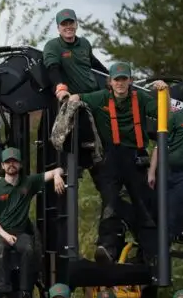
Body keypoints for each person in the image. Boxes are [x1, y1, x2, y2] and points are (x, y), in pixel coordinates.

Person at [69, 65, 167, 264]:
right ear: (110, 82)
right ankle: (107, 248)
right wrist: (68, 101)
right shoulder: (100, 98)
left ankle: (150, 254)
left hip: (135, 157)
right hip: (110, 158)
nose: (120, 83)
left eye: (124, 79)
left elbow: (162, 112)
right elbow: (77, 97)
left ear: (130, 81)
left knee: (143, 204)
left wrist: (164, 92)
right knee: (111, 202)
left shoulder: (140, 98)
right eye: (116, 80)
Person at [0, 147, 65, 298]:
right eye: (8, 162)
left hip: (20, 232)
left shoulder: (28, 182)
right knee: (2, 249)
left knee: (29, 248)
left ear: (19, 164)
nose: (11, 165)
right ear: (3, 166)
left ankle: (26, 297)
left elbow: (57, 169)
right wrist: (4, 234)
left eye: (14, 161)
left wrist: (57, 176)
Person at [42, 8, 108, 102]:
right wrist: (60, 87)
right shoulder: (53, 46)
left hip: (94, 96)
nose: (68, 27)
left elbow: (94, 63)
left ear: (76, 24)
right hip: (73, 99)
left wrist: (111, 77)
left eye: (71, 23)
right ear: (58, 28)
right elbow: (53, 68)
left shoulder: (84, 43)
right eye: (64, 24)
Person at [148, 99, 183, 240]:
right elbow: (159, 145)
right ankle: (151, 247)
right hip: (166, 170)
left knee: (177, 204)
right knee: (156, 205)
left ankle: (172, 235)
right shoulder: (177, 117)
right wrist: (152, 172)